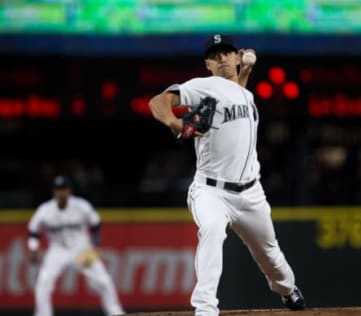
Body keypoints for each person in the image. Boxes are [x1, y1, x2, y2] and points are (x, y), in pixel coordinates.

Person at [148, 34, 306, 315]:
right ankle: (205, 309)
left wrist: (245, 72)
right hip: (211, 191)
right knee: (211, 230)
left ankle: (287, 289)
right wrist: (173, 121)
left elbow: (233, 95)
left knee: (272, 258)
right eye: (214, 55)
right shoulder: (202, 86)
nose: (221, 58)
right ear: (208, 64)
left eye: (226, 53)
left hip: (251, 194)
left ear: (237, 56)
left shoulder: (246, 94)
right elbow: (157, 102)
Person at [27, 174, 124, 316]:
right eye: (58, 189)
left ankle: (115, 312)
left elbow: (95, 223)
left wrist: (96, 244)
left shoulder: (81, 206)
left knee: (103, 281)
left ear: (69, 190)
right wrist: (33, 248)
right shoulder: (45, 210)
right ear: (53, 192)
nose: (61, 192)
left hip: (82, 249)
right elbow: (33, 230)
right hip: (57, 250)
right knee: (43, 283)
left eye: (63, 189)